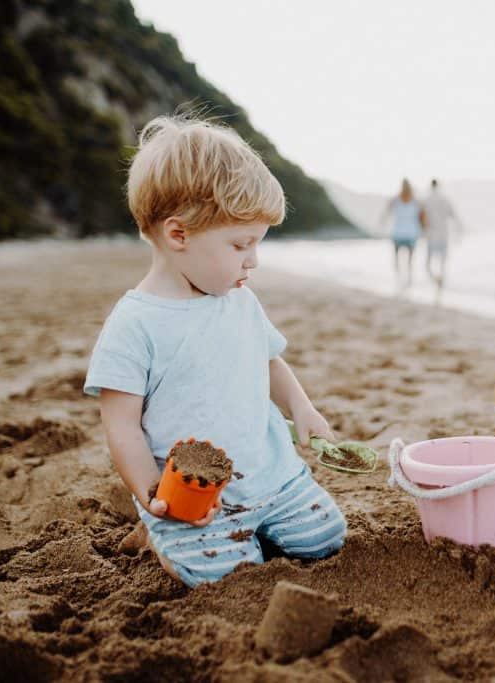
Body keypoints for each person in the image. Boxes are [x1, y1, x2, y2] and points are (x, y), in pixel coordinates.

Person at [83, 114, 346, 587]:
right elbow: (121, 423)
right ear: (178, 235)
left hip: (273, 475)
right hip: (195, 495)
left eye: (257, 244)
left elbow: (269, 360)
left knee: (326, 538)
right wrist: (150, 493)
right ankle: (159, 537)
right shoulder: (135, 323)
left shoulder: (239, 300)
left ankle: (262, 522)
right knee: (222, 575)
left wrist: (301, 408)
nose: (254, 260)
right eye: (241, 244)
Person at [379, 179, 423, 290]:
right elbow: (422, 217)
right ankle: (409, 279)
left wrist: (381, 224)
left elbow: (386, 213)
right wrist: (424, 230)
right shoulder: (416, 201)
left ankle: (399, 278)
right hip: (411, 233)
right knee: (410, 259)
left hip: (398, 233)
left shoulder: (395, 200)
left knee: (397, 258)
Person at [421, 179, 463, 290]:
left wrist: (423, 232)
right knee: (442, 263)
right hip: (443, 234)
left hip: (431, 234)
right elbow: (454, 216)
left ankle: (436, 280)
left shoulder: (427, 200)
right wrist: (459, 231)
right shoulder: (445, 199)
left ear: (430, 186)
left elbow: (422, 218)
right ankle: (440, 283)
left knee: (428, 264)